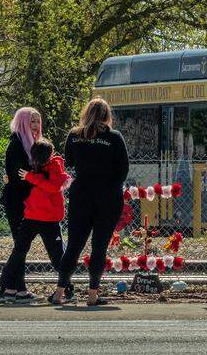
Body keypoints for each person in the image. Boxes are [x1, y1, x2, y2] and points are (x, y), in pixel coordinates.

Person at [50, 98, 128, 306]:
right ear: (107, 115)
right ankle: (92, 295)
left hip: (81, 195)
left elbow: (70, 163)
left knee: (74, 246)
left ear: (86, 113)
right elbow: (123, 171)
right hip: (108, 196)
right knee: (99, 247)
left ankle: (59, 293)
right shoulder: (114, 137)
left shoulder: (74, 136)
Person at [0, 139, 68, 303]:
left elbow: (52, 187)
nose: (39, 159)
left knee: (57, 255)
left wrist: (30, 177)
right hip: (31, 216)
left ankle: (67, 288)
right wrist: (12, 178)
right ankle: (5, 286)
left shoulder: (55, 167)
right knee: (19, 251)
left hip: (50, 219)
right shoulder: (32, 168)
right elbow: (17, 179)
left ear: (51, 154)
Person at [0, 107, 40, 302]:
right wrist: (38, 177)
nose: (36, 126)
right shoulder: (16, 145)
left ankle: (13, 289)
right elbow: (18, 177)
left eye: (38, 122)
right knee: (21, 245)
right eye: (32, 122)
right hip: (16, 202)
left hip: (27, 202)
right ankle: (10, 287)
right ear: (22, 122)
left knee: (21, 246)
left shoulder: (30, 144)